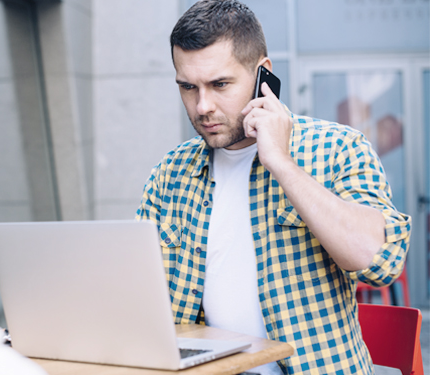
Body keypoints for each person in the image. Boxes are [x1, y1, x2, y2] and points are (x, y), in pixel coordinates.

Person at [135, 1, 411, 374]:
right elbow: (139, 299)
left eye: (220, 84)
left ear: (262, 75)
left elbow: (378, 262)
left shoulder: (338, 147)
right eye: (188, 87)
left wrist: (281, 163)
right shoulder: (169, 175)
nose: (202, 106)